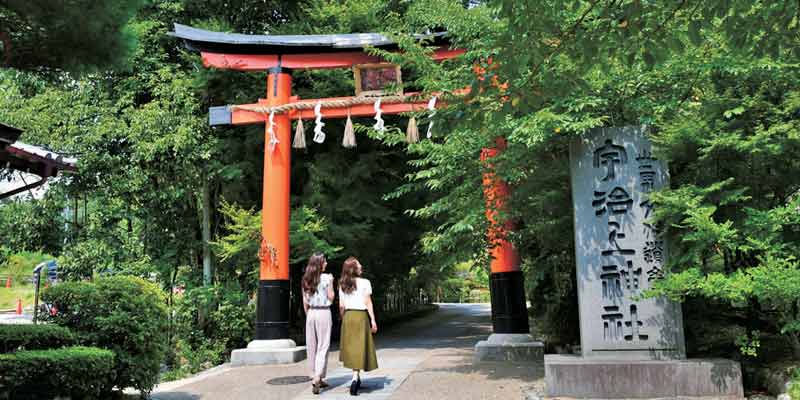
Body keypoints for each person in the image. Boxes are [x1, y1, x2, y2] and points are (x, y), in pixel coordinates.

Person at [339, 256, 378, 396]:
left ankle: (356, 376)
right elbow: (368, 303)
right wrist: (373, 320)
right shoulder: (365, 282)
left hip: (348, 316)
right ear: (354, 269)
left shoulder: (342, 283)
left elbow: (341, 306)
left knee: (353, 348)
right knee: (360, 347)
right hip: (361, 316)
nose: (361, 267)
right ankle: (355, 377)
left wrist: (343, 318)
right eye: (359, 265)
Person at [302, 253, 334, 395]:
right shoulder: (327, 278)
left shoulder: (306, 279)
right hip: (323, 312)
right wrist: (332, 282)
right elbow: (331, 296)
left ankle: (316, 376)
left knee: (312, 346)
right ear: (320, 263)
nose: (326, 263)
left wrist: (308, 314)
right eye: (324, 261)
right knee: (323, 346)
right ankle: (317, 377)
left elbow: (304, 300)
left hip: (311, 313)